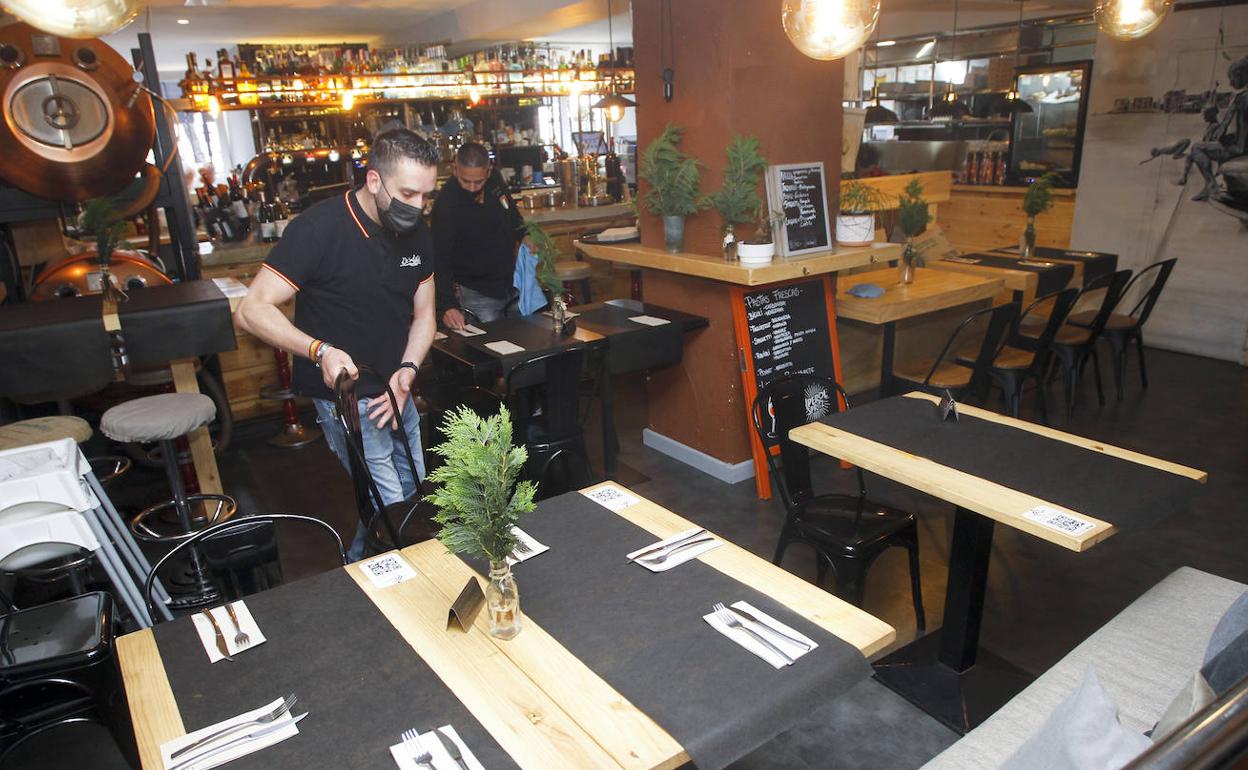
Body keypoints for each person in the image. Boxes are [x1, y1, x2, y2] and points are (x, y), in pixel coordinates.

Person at [234, 129, 439, 561]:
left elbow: (424, 315)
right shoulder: (319, 228)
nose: (417, 207)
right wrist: (319, 350)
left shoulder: (417, 234)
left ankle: (358, 573)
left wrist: (409, 370)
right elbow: (251, 310)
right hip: (347, 399)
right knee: (393, 512)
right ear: (374, 181)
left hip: (396, 390)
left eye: (426, 195)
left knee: (414, 503)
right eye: (408, 193)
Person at [432, 142, 527, 330]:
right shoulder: (446, 205)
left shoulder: (495, 182)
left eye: (479, 181)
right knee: (495, 352)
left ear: (489, 170)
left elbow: (513, 215)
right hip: (476, 292)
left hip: (511, 284)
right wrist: (447, 305)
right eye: (466, 181)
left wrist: (525, 234)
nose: (473, 187)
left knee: (526, 343)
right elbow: (439, 259)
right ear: (455, 169)